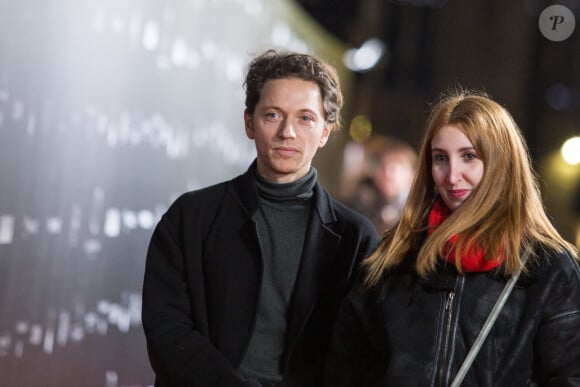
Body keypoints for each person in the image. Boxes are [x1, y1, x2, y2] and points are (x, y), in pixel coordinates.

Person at [141, 49, 379, 387]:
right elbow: (166, 329)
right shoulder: (191, 217)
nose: (288, 132)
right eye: (272, 115)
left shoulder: (355, 238)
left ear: (326, 132)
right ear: (249, 122)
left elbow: (358, 353)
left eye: (305, 118)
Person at [324, 89, 580, 386]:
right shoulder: (397, 254)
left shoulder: (549, 268)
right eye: (440, 158)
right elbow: (345, 365)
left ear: (501, 163)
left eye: (469, 156)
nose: (452, 176)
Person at [346, 135, 417, 235]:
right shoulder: (361, 203)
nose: (387, 172)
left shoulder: (417, 213)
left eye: (396, 166)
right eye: (383, 165)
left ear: (412, 174)